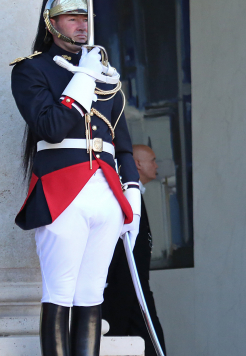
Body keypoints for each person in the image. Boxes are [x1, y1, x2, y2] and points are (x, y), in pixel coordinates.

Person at [10, 1, 141, 355]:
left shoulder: (105, 73)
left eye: (85, 18)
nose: (82, 25)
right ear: (52, 24)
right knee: (60, 294)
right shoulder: (31, 70)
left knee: (91, 295)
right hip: (62, 193)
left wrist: (133, 195)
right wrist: (83, 76)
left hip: (107, 194)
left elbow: (122, 145)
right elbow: (52, 128)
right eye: (72, 18)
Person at [102, 144, 166, 355]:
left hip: (136, 287)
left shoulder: (136, 193)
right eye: (153, 160)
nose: (156, 165)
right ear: (137, 164)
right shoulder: (125, 195)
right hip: (122, 289)